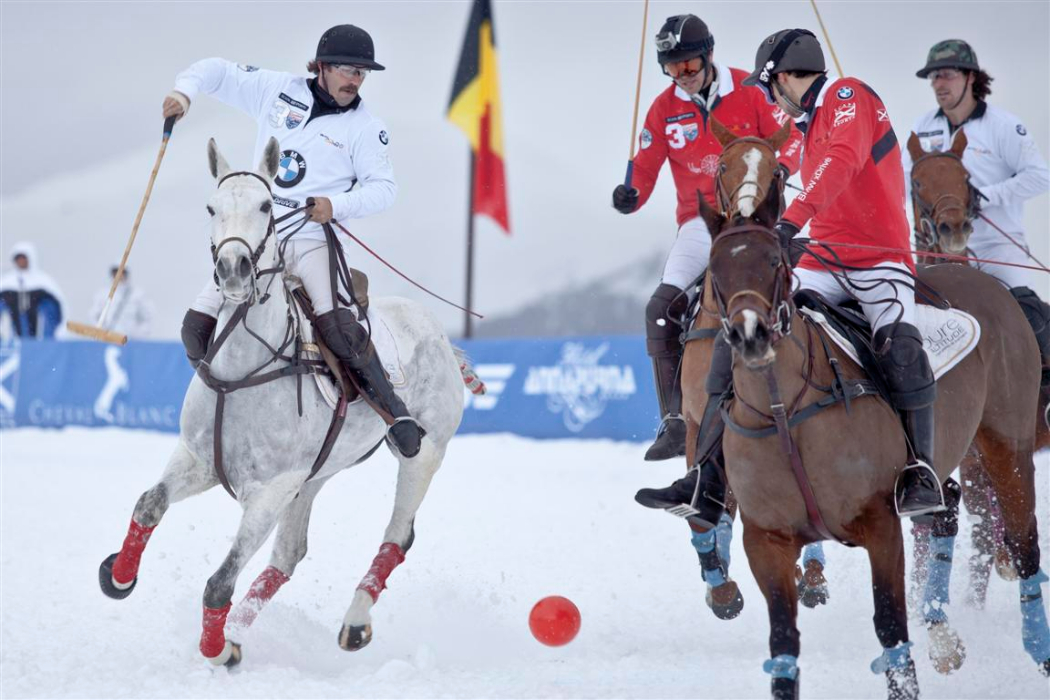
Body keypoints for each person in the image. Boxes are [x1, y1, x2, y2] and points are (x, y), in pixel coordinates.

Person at [637, 28, 944, 520]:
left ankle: (920, 470)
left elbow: (839, 162)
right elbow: (780, 171)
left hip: (879, 260)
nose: (772, 101)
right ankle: (708, 478)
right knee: (742, 329)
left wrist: (789, 223)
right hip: (821, 261)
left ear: (781, 78)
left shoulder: (848, 95)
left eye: (769, 90)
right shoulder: (805, 128)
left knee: (900, 343)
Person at [164, 24, 424, 458]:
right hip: (259, 239)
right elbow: (218, 72)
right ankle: (227, 408)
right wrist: (184, 93)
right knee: (195, 328)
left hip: (309, 239)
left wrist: (334, 205)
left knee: (338, 329)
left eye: (362, 73)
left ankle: (394, 415)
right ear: (322, 66)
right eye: (346, 69)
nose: (354, 80)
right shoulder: (277, 91)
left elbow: (384, 189)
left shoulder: (365, 128)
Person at [611, 14, 803, 461]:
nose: (682, 75)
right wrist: (630, 194)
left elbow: (790, 138)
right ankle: (676, 419)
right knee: (661, 309)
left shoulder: (751, 90)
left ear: (709, 54)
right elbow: (645, 166)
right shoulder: (663, 109)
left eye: (689, 65)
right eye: (672, 67)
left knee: (820, 292)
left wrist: (782, 167)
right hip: (705, 223)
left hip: (765, 217)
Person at [904, 39, 1050, 385]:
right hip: (937, 246)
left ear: (970, 78)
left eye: (947, 75)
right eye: (934, 77)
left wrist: (985, 196)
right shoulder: (922, 128)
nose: (939, 84)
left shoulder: (1002, 126)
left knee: (1027, 310)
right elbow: (902, 181)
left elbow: (1039, 176)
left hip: (995, 245)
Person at [0, 242, 65, 340]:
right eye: (19, 259)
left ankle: (46, 342)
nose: (21, 261)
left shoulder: (42, 282)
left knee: (49, 306)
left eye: (24, 258)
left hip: (38, 332)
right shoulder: (7, 283)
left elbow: (56, 309)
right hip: (14, 332)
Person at [88, 266, 155, 339]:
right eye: (115, 273)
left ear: (126, 274)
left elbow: (148, 316)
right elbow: (93, 315)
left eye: (122, 273)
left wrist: (139, 334)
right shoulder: (103, 294)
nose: (119, 276)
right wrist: (101, 331)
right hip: (109, 338)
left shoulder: (137, 294)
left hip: (130, 339)